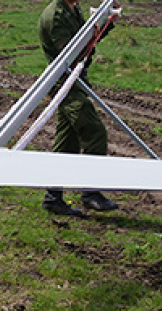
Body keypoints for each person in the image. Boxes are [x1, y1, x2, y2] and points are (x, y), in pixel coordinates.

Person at [39, 0, 119, 216]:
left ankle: (53, 198)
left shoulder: (72, 9)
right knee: (95, 133)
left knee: (66, 143)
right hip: (65, 85)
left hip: (75, 82)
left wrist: (106, 22)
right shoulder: (56, 15)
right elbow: (71, 52)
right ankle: (90, 193)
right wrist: (94, 31)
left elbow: (87, 42)